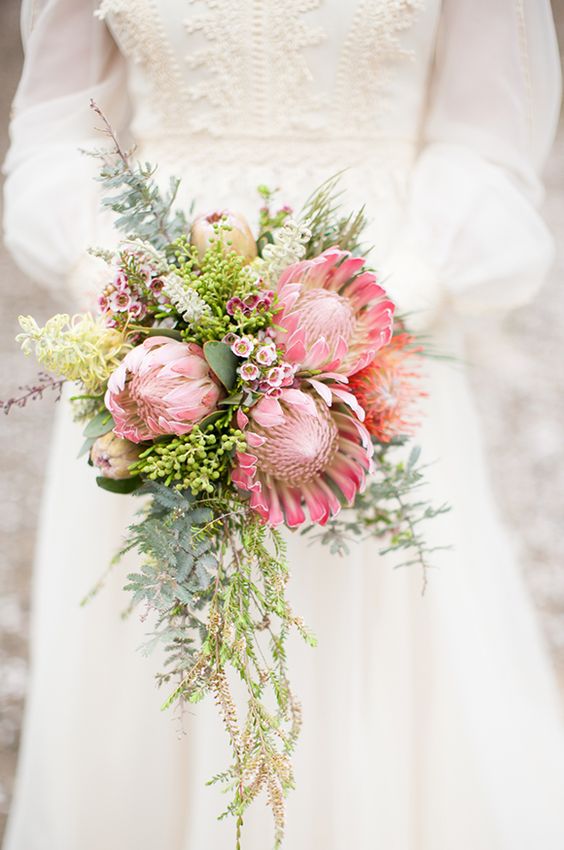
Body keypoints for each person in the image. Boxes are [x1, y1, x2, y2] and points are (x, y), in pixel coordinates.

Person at [3, 1, 564, 848]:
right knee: (164, 640)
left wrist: (384, 299)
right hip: (157, 321)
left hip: (377, 316)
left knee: (373, 636)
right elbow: (55, 119)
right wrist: (110, 280)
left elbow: (490, 136)